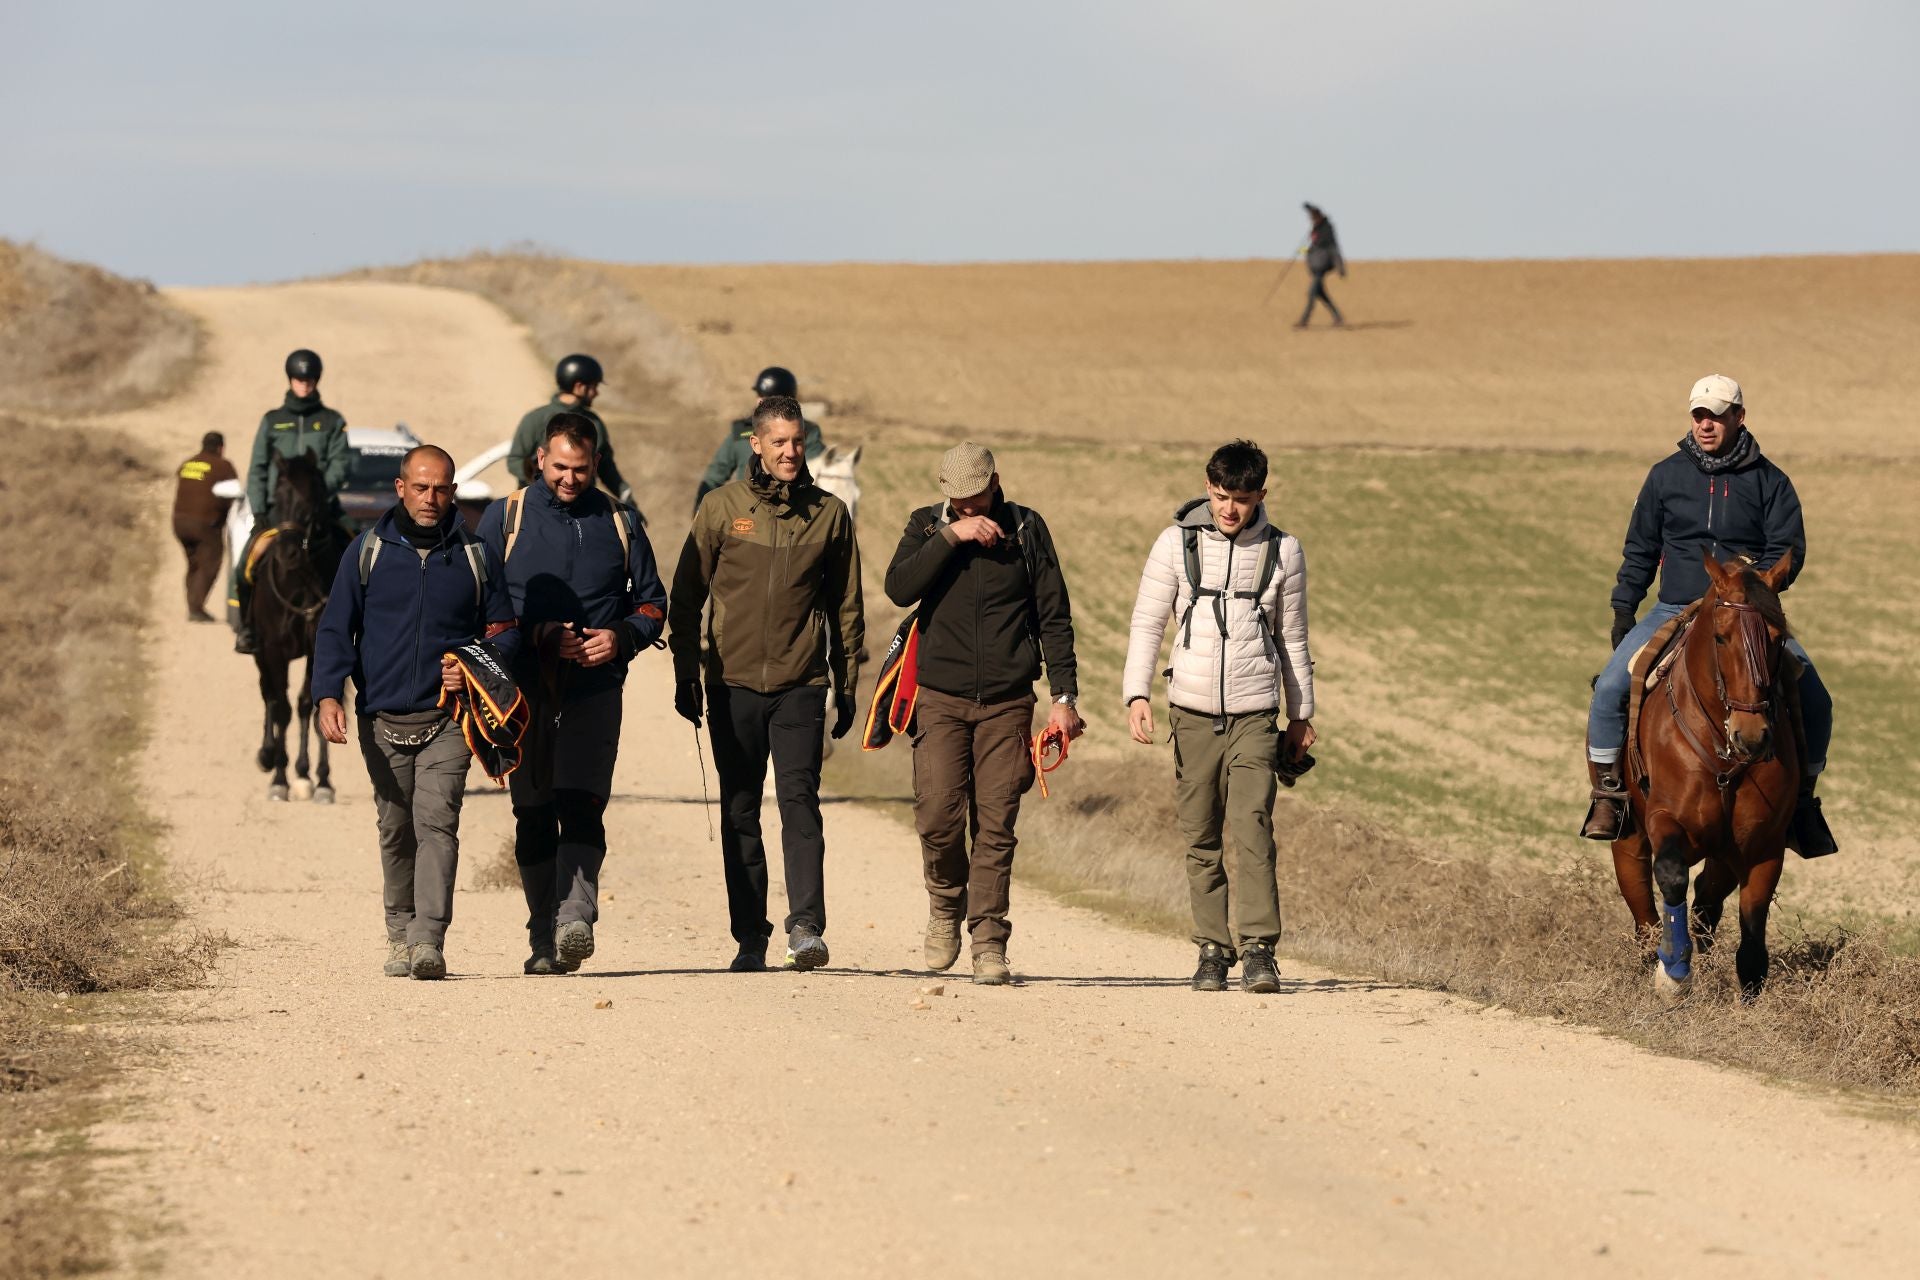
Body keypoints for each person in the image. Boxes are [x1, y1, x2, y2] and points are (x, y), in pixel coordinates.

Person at [1582, 374, 1836, 856]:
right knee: (1612, 687)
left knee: (1816, 699)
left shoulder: (1772, 482)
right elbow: (1641, 547)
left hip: (1745, 612)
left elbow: (1789, 550)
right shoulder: (1665, 476)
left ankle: (1802, 804)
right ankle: (1609, 796)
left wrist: (1749, 588)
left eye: (1716, 415)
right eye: (1699, 415)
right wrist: (1623, 607)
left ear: (1739, 418)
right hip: (1676, 606)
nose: (1705, 424)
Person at [669, 394, 863, 973]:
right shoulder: (721, 508)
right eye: (778, 441)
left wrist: (845, 683)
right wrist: (687, 672)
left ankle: (806, 928)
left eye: (798, 441)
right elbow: (686, 596)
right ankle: (750, 934)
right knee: (740, 809)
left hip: (800, 681)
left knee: (801, 803)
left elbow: (846, 604)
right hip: (731, 683)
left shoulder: (829, 514)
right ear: (755, 444)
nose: (789, 451)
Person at [313, 446, 520, 980]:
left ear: (454, 492)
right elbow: (337, 627)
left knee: (438, 823)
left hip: (448, 718)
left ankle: (428, 939)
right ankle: (399, 930)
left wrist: (471, 668)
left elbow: (503, 634)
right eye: (422, 487)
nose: (432, 499)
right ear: (400, 487)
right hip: (380, 718)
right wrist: (328, 693)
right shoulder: (367, 551)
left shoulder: (476, 556)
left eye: (442, 489)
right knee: (395, 826)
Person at [883, 442, 1083, 985]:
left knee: (996, 825)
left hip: (1007, 703)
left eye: (974, 501)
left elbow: (1054, 615)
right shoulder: (927, 526)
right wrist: (952, 536)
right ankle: (945, 907)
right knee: (938, 818)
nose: (967, 509)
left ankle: (989, 942)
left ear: (995, 483)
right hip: (940, 699)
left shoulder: (1026, 530)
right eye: (956, 502)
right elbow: (899, 588)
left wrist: (1064, 698)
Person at [1121, 439, 1316, 994]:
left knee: (1253, 827)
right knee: (1200, 835)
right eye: (1220, 496)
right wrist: (1137, 694)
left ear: (1261, 494)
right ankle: (1212, 948)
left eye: (1242, 498)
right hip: (1189, 711)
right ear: (1208, 489)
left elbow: (1293, 639)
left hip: (1256, 714)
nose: (1229, 509)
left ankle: (1259, 951)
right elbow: (1147, 622)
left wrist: (1301, 716)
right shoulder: (1174, 543)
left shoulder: (1285, 551)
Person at [478, 414, 666, 975]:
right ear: (540, 459)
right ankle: (542, 934)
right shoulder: (503, 517)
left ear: (596, 464)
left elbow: (654, 605)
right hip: (522, 689)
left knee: (582, 803)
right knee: (532, 811)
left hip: (595, 688)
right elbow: (477, 602)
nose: (569, 479)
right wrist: (534, 636)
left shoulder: (621, 521)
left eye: (580, 469)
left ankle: (575, 919)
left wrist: (621, 637)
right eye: (559, 467)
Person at [231, 348, 351, 653]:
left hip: (322, 512)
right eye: (299, 379)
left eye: (310, 379)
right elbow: (258, 468)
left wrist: (317, 494)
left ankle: (360, 631)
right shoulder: (272, 421)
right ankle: (248, 629)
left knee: (358, 561)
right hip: (279, 515)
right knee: (244, 568)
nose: (304, 384)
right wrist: (259, 510)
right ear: (290, 379)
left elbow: (341, 465)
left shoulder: (331, 421)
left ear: (316, 380)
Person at [505, 353, 634, 508]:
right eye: (594, 387)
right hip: (535, 508)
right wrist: (542, 482)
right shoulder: (535, 420)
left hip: (583, 509)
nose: (596, 393)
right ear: (579, 387)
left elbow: (605, 466)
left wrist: (626, 496)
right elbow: (515, 460)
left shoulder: (595, 422)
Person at [692, 366, 825, 511]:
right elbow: (715, 475)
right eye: (759, 396)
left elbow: (821, 472)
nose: (759, 403)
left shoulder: (808, 433)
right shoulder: (740, 433)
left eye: (767, 399)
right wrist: (700, 509)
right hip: (747, 512)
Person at [173, 430, 238, 622]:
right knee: (210, 561)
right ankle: (196, 607)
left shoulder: (188, 463)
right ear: (221, 448)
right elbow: (232, 496)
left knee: (194, 562)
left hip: (179, 522)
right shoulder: (222, 466)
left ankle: (193, 603)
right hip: (203, 523)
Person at [1296, 203, 1345, 329]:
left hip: (1321, 267)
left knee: (1312, 293)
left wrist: (1340, 267)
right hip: (1315, 266)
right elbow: (1313, 248)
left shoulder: (1327, 229)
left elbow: (1334, 248)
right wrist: (1301, 251)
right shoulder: (1316, 229)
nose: (1311, 219)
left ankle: (1304, 320)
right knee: (1321, 293)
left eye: (1312, 217)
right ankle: (1337, 316)